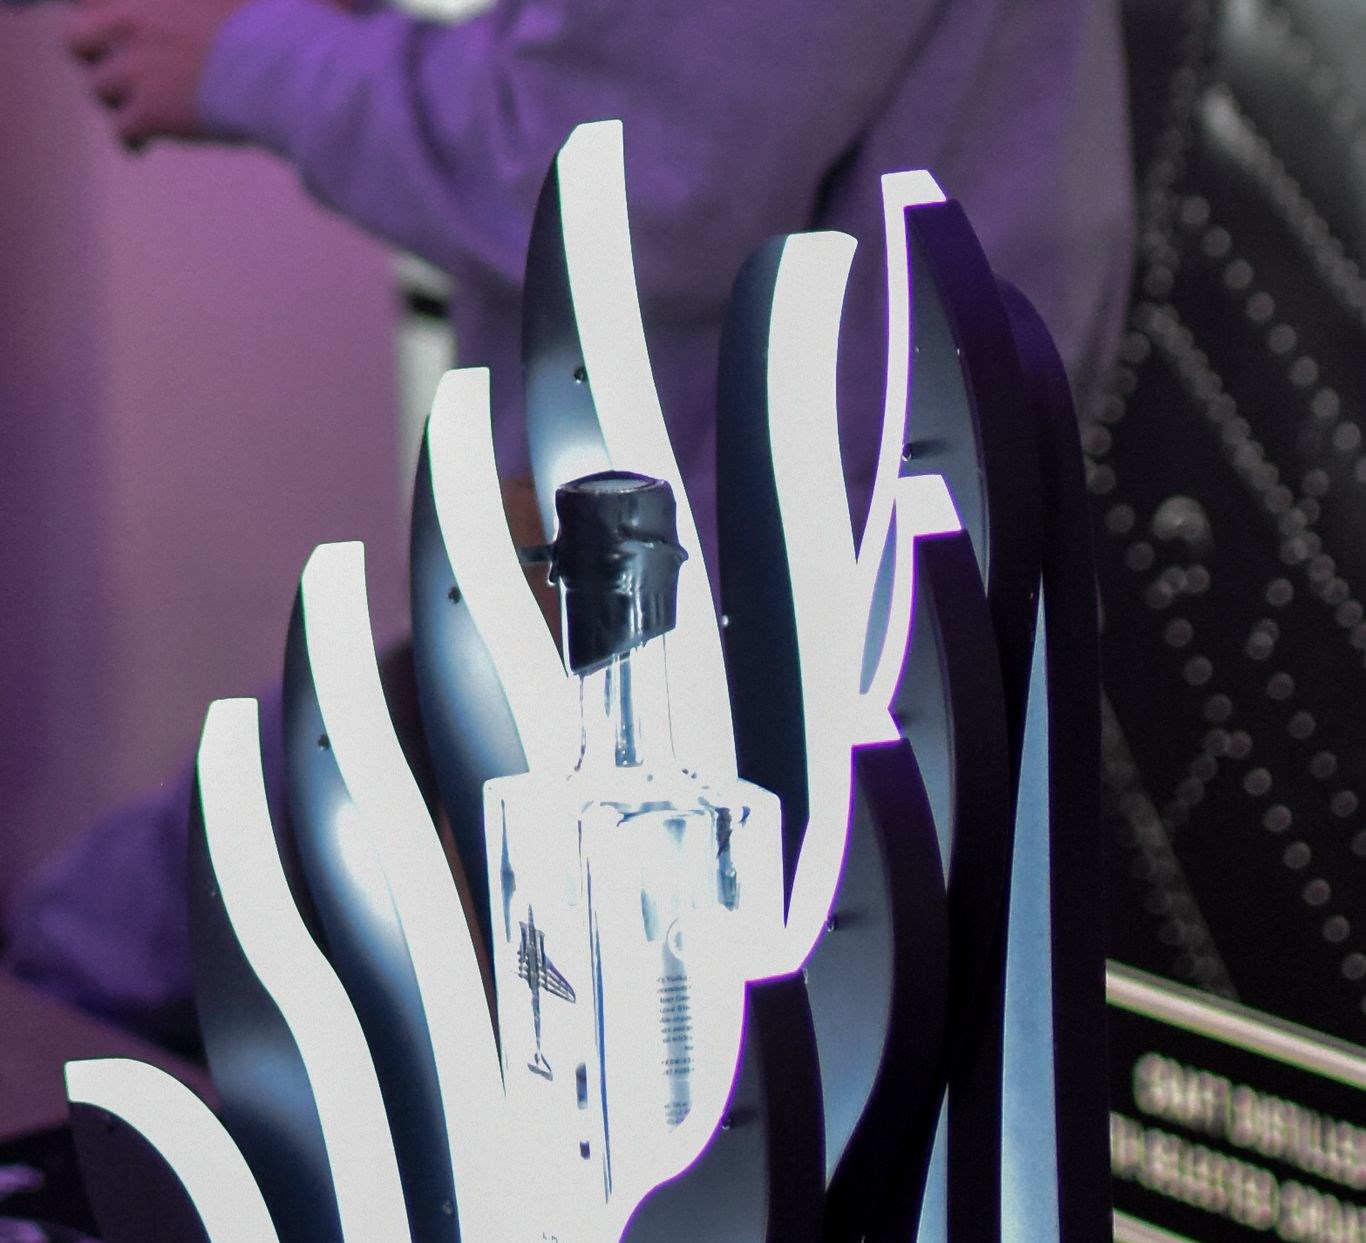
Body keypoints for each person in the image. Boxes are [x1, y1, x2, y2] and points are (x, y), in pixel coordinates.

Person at [9, 0, 1134, 1043]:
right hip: (713, 626)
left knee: (114, 950)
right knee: (118, 931)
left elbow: (631, 185)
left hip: (740, 668)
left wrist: (251, 58)